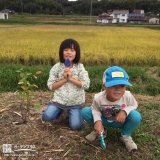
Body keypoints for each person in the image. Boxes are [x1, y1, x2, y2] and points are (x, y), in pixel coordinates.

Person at [82, 66, 142, 152]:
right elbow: (95, 110)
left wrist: (124, 111)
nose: (117, 89)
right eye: (113, 85)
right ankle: (101, 131)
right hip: (105, 120)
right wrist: (98, 121)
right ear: (104, 86)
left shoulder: (127, 95)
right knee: (86, 111)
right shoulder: (98, 97)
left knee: (136, 116)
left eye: (122, 86)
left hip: (121, 121)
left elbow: (134, 105)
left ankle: (125, 135)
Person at [42, 38, 90, 130]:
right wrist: (64, 79)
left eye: (72, 50)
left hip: (75, 102)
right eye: (66, 50)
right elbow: (51, 86)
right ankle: (59, 113)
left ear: (76, 53)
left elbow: (86, 85)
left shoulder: (80, 67)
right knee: (46, 118)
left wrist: (71, 78)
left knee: (76, 126)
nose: (69, 52)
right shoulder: (56, 67)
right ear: (61, 52)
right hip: (59, 101)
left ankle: (72, 113)